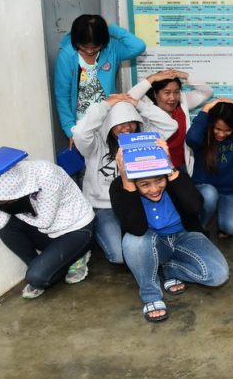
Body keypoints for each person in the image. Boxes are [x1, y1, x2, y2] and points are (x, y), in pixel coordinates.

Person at [110, 144, 229, 322]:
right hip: (153, 243)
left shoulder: (174, 176)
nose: (154, 189)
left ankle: (168, 269)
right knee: (134, 241)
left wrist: (170, 169)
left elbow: (195, 207)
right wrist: (128, 182)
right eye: (144, 184)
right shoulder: (121, 186)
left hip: (184, 236)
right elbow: (136, 228)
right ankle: (151, 295)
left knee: (218, 275)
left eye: (159, 180)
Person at [71, 94, 177, 264]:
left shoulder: (141, 140)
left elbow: (170, 125)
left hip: (138, 202)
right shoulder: (95, 143)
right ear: (109, 124)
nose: (127, 127)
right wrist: (105, 105)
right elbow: (80, 133)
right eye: (119, 122)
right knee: (119, 256)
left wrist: (138, 104)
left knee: (149, 243)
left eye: (132, 121)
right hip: (105, 207)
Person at [0, 160, 94, 299]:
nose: (2, 205)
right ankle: (37, 264)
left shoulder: (46, 174)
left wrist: (13, 209)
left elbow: (45, 221)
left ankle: (76, 255)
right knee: (6, 226)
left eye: (4, 203)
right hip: (46, 231)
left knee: (37, 278)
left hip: (74, 229)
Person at [54, 14, 146, 144]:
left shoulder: (111, 49)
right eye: (84, 47)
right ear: (76, 41)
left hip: (110, 120)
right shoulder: (67, 55)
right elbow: (62, 96)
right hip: (83, 124)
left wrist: (110, 28)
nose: (90, 51)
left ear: (103, 42)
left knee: (111, 159)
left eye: (95, 47)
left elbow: (138, 46)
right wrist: (70, 130)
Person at [186, 97, 233, 238]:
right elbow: (191, 138)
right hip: (203, 189)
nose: (221, 134)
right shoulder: (202, 136)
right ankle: (199, 227)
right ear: (211, 124)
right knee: (209, 194)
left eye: (227, 130)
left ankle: (221, 217)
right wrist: (206, 109)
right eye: (217, 128)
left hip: (230, 191)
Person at [128, 69, 213, 173]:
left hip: (183, 166)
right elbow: (129, 98)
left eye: (176, 92)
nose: (172, 98)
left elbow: (207, 92)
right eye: (167, 93)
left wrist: (186, 76)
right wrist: (152, 78)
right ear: (155, 94)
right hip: (157, 168)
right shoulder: (145, 107)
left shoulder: (182, 103)